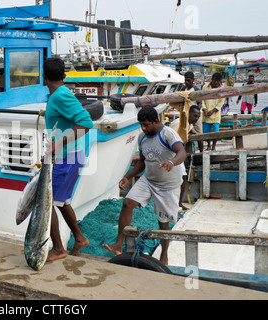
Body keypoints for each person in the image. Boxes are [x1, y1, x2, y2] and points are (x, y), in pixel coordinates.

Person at [103, 107, 186, 265]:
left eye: (146, 124)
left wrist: (171, 162)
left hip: (168, 185)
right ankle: (118, 245)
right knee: (127, 203)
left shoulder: (168, 134)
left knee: (163, 221)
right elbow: (142, 162)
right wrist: (127, 176)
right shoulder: (142, 137)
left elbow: (182, 152)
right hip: (148, 180)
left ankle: (164, 254)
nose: (143, 128)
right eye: (141, 124)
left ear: (156, 121)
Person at [43, 57, 93, 262]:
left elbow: (86, 122)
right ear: (63, 75)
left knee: (48, 202)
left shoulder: (61, 96)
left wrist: (59, 144)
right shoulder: (58, 94)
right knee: (61, 201)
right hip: (67, 156)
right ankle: (79, 238)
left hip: (67, 157)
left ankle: (58, 248)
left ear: (44, 76)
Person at [169, 105, 202, 210]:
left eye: (198, 116)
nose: (196, 118)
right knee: (179, 179)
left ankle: (178, 203)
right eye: (195, 116)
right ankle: (176, 204)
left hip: (178, 154)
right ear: (188, 114)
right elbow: (169, 139)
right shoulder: (178, 124)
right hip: (171, 154)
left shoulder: (190, 125)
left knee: (182, 178)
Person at [201, 72, 225, 151]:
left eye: (217, 81)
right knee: (206, 132)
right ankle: (208, 146)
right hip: (206, 112)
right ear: (212, 79)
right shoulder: (205, 87)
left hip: (216, 113)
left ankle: (214, 147)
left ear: (220, 81)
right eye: (214, 80)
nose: (215, 82)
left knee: (215, 131)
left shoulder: (222, 89)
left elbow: (221, 102)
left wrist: (213, 110)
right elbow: (202, 100)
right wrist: (204, 109)